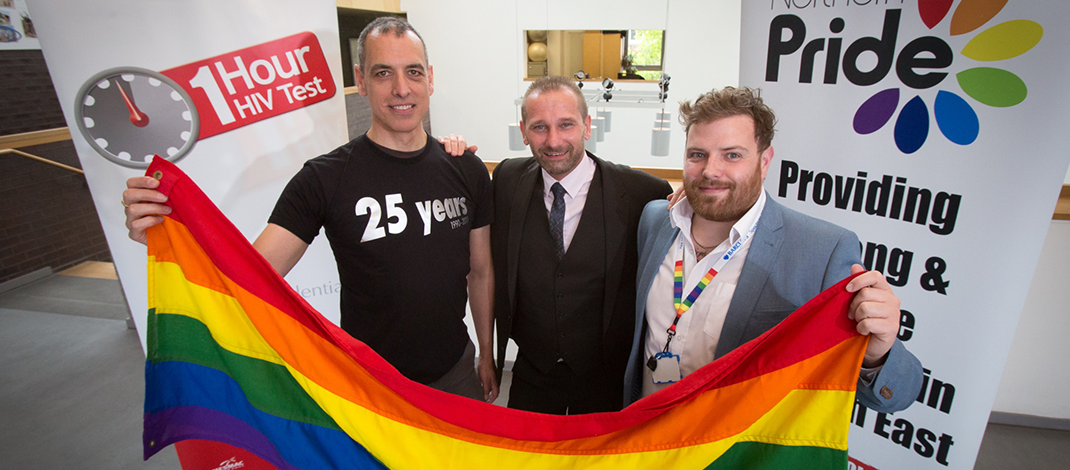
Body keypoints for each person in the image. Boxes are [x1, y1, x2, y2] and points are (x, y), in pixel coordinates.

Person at [122, 17, 498, 403]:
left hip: (455, 376)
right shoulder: (326, 178)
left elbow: (481, 272)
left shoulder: (465, 168)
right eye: (383, 72)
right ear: (361, 80)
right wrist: (167, 236)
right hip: (369, 387)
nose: (401, 88)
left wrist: (487, 354)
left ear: (430, 79)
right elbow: (247, 276)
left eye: (413, 72)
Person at [623, 86, 922, 412]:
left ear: (765, 162)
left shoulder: (823, 251)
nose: (710, 170)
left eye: (732, 155)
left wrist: (878, 353)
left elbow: (896, 396)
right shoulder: (655, 220)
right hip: (643, 437)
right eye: (698, 154)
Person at [491, 76, 673, 414]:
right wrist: (451, 150)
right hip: (532, 375)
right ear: (523, 131)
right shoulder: (505, 180)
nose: (554, 140)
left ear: (587, 126)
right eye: (539, 127)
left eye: (566, 125)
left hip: (606, 379)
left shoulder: (641, 192)